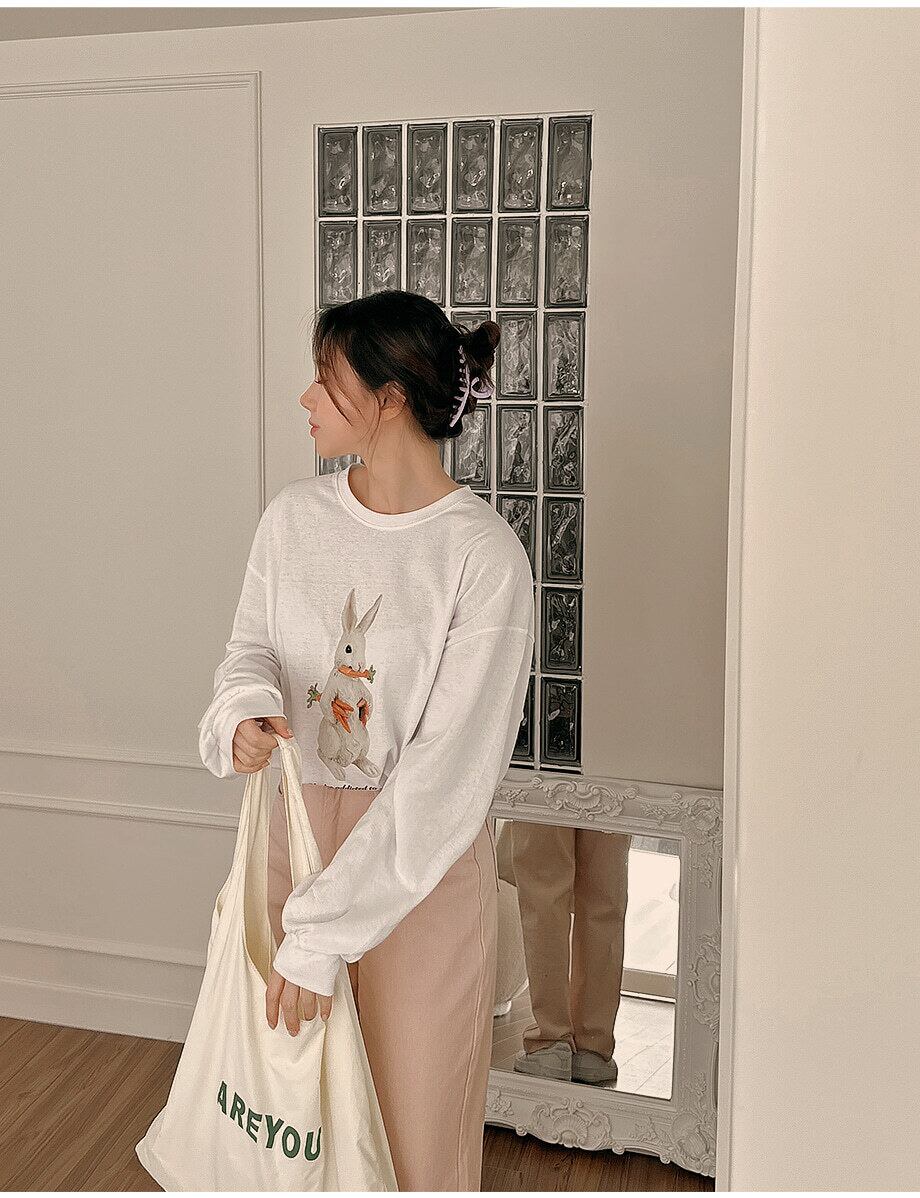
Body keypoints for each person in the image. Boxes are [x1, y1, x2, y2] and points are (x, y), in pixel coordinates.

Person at [197, 289, 535, 1192]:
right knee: (283, 1131)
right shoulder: (293, 519)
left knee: (414, 1140)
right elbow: (250, 651)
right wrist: (244, 715)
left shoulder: (482, 557)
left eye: (325, 378)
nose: (305, 399)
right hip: (293, 839)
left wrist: (319, 938)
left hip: (417, 867)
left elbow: (446, 778)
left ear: (388, 397)